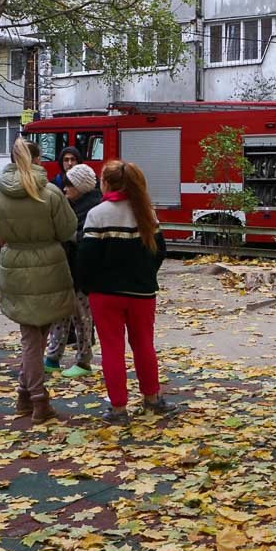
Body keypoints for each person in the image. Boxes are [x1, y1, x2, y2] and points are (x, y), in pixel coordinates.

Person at [76, 160, 176, 425]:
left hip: (105, 293)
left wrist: (88, 285)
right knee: (144, 345)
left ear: (106, 183)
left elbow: (86, 258)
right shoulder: (146, 212)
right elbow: (160, 252)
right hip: (142, 292)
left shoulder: (98, 214)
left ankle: (118, 409)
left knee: (112, 349)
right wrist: (146, 276)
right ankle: (153, 399)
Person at [0, 139, 78, 425]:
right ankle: (38, 399)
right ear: (38, 159)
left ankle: (24, 394)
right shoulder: (50, 193)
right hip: (48, 264)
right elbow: (67, 228)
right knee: (36, 337)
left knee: (31, 335)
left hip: (14, 262)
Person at [46, 163, 103, 377]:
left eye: (69, 185)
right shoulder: (71, 205)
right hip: (67, 269)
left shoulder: (91, 209)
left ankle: (83, 359)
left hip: (82, 273)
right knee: (61, 315)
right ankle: (53, 356)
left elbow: (84, 238)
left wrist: (67, 237)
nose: (65, 189)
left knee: (82, 318)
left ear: (80, 187)